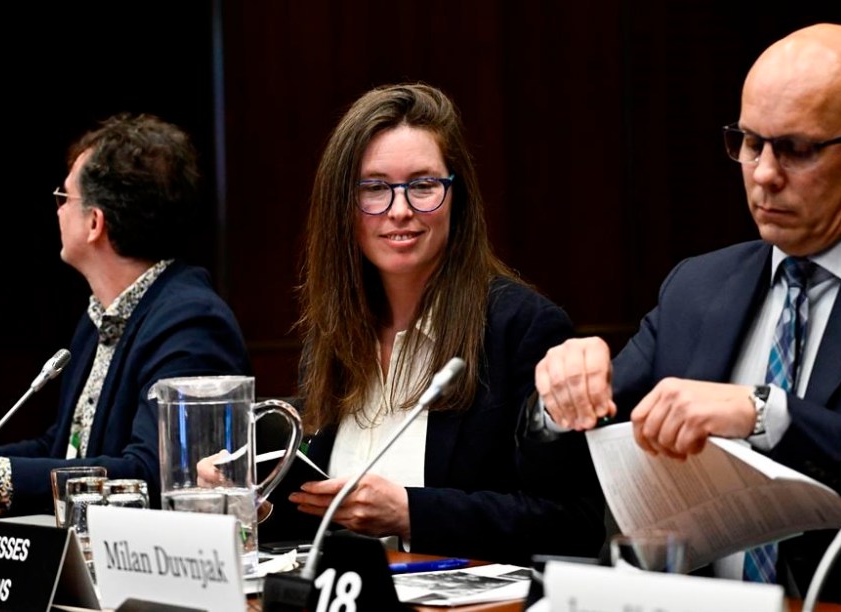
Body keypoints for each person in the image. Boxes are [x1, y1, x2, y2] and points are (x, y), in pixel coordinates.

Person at [529, 23, 841, 608]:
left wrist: (767, 414)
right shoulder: (698, 287)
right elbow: (559, 476)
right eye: (749, 142)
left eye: (797, 149)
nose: (764, 173)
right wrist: (560, 399)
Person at [259, 83, 605, 565]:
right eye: (374, 188)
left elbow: (574, 524)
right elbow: (324, 522)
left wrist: (411, 513)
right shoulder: (334, 335)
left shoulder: (523, 328)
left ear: (456, 197)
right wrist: (251, 497)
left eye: (423, 186)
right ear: (342, 206)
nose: (400, 210)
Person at [0, 113, 252, 516]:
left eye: (64, 197)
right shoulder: (99, 316)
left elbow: (151, 475)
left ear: (95, 222)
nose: (58, 211)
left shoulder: (192, 323)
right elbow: (63, 449)